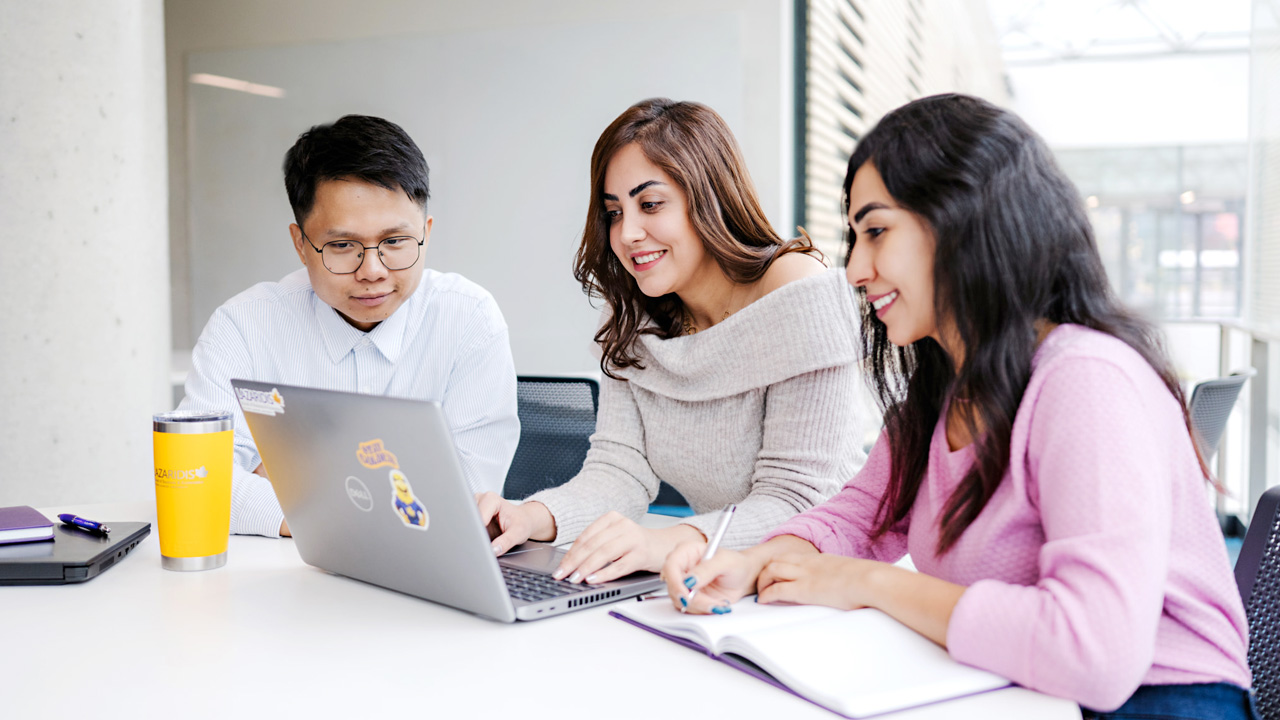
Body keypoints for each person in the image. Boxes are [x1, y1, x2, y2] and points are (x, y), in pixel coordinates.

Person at [662, 94, 1256, 718]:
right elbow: (861, 518)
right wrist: (752, 563)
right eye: (854, 238)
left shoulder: (1084, 379)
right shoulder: (946, 387)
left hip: (1160, 703)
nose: (855, 269)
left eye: (876, 231)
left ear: (966, 220)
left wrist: (867, 584)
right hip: (1017, 692)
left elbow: (1094, 656)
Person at [476, 98, 868, 586]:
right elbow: (619, 472)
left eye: (650, 204)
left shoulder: (797, 289)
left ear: (709, 197)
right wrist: (529, 517)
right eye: (614, 212)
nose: (627, 233)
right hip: (719, 580)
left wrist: (667, 543)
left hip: (827, 583)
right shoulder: (631, 314)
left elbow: (797, 500)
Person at [178, 115, 520, 538]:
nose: (372, 270)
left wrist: (291, 486)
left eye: (395, 242)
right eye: (342, 245)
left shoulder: (468, 319)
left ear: (425, 234)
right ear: (301, 244)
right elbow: (194, 477)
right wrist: (365, 504)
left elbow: (467, 501)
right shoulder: (245, 325)